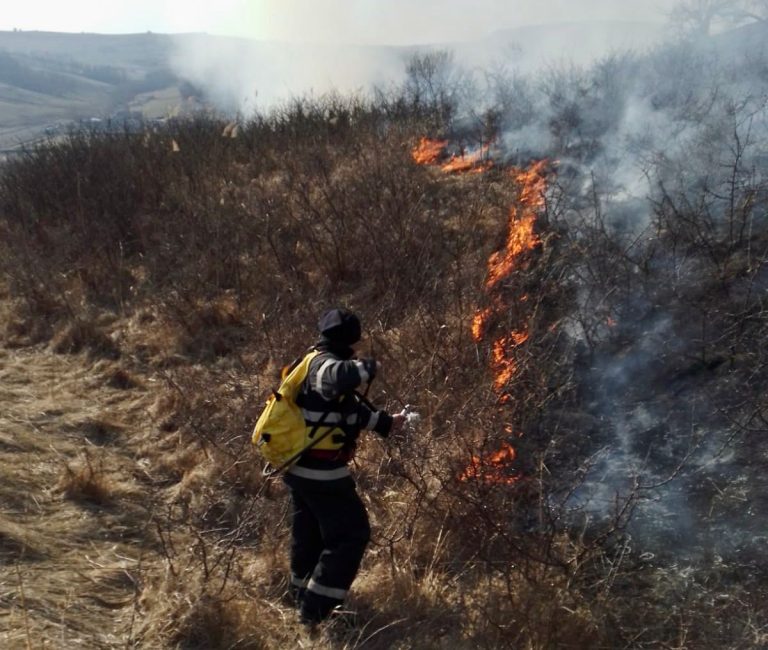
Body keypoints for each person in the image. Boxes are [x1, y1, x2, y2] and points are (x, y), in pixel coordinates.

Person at [284, 307, 405, 625]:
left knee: (309, 536)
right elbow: (336, 378)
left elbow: (349, 413)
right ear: (350, 340)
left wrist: (390, 423)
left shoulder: (307, 361)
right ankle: (314, 611)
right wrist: (368, 367)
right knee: (352, 534)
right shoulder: (324, 366)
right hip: (322, 474)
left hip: (300, 470)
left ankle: (300, 596)